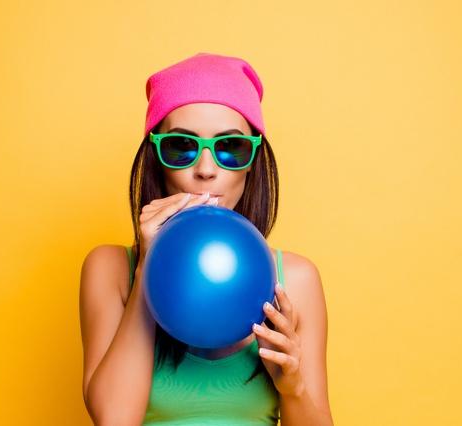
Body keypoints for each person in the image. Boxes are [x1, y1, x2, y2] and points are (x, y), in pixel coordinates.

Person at [80, 52, 332, 425]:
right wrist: (149, 267)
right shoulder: (111, 269)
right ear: (157, 159)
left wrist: (292, 387)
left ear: (253, 162)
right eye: (182, 146)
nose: (206, 170)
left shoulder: (296, 280)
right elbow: (113, 420)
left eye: (231, 148)